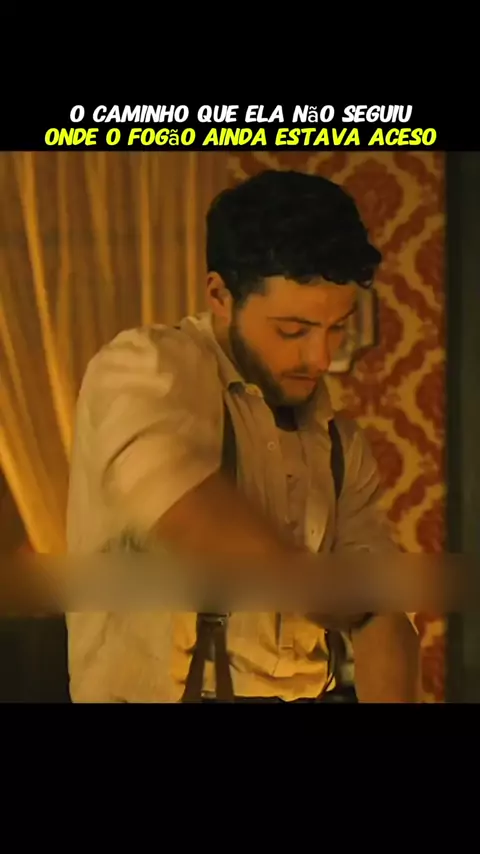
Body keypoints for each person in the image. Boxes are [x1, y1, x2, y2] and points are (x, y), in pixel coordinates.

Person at [66, 169, 420, 703]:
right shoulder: (144, 368)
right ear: (220, 295)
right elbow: (181, 505)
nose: (320, 358)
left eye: (337, 328)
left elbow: (381, 613)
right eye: (292, 330)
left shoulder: (342, 444)